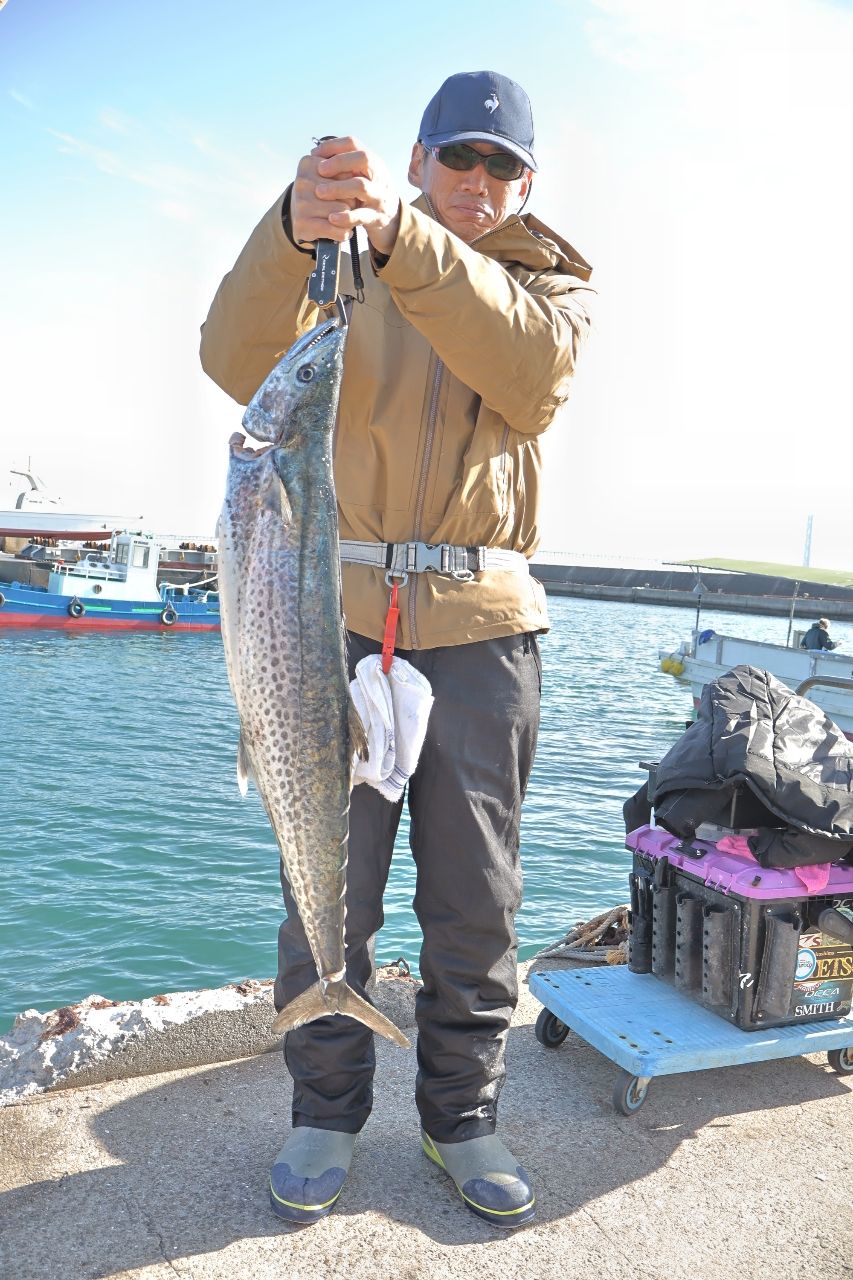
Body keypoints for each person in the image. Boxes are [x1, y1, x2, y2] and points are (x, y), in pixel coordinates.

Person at [200, 70, 594, 1229]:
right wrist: (292, 229)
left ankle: (460, 1116)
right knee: (326, 881)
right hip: (338, 616)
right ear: (418, 162)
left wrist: (405, 243)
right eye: (455, 156)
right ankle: (324, 1108)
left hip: (484, 624)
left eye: (499, 165)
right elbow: (232, 358)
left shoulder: (550, 282)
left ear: (526, 183)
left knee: (476, 900)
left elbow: (532, 376)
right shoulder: (340, 268)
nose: (476, 179)